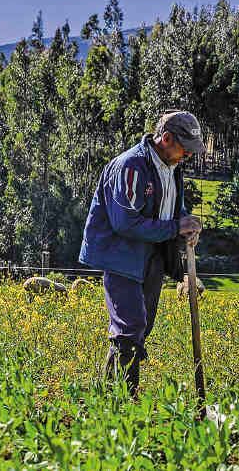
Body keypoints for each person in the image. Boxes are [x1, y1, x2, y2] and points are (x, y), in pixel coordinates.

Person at [79, 110, 205, 397]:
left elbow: (171, 210)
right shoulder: (130, 167)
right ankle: (123, 399)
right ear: (166, 138)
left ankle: (114, 395)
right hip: (121, 255)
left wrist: (186, 224)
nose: (188, 155)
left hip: (153, 256)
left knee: (140, 328)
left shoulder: (172, 168)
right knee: (130, 326)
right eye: (185, 148)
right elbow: (125, 223)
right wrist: (175, 227)